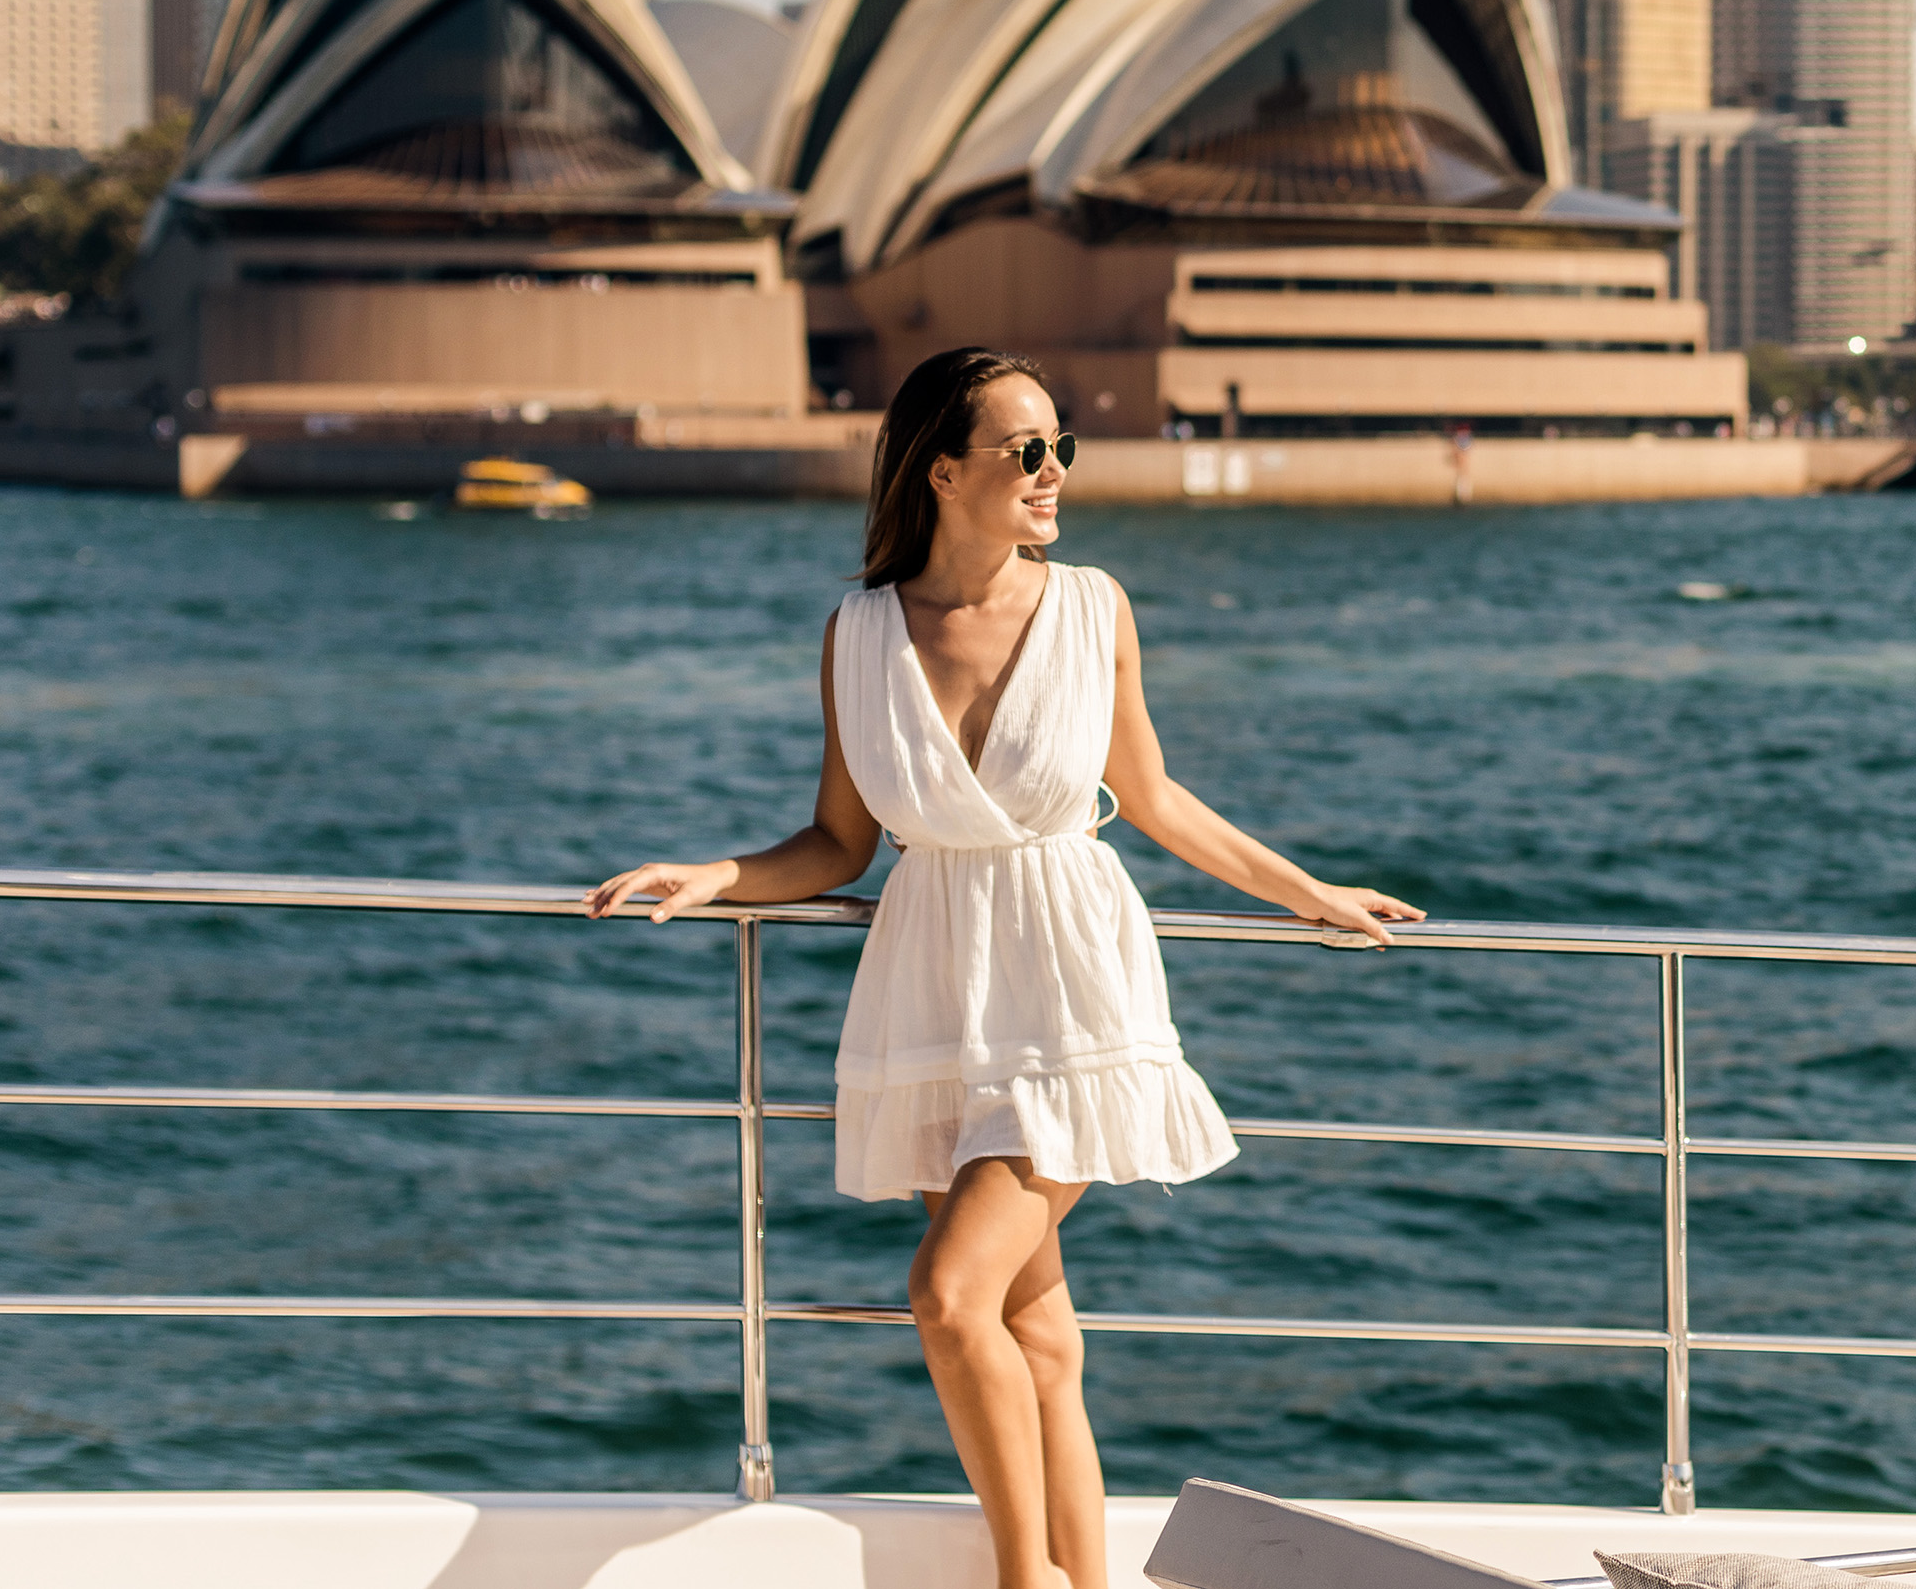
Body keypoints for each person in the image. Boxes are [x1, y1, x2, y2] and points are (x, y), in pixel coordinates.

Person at [587, 347, 1421, 1589]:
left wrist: (1309, 892)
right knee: (1033, 1329)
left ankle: (1021, 1584)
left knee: (946, 1294)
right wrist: (715, 874)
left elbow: (1149, 798)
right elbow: (838, 842)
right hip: (935, 991)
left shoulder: (1093, 605)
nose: (1051, 473)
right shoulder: (860, 633)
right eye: (1023, 451)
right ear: (939, 471)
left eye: (1058, 448)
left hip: (1071, 985)